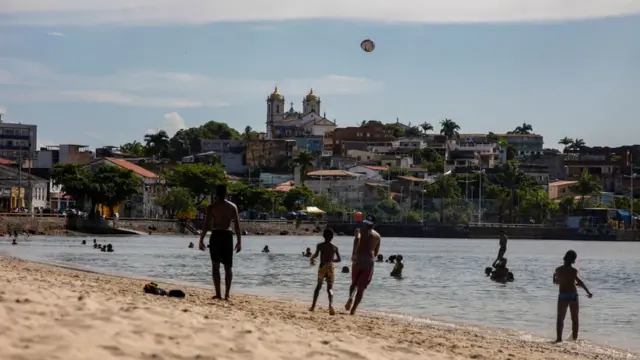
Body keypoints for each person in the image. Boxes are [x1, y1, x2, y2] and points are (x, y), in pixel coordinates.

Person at [198, 184, 242, 301]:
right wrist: (239, 241)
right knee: (228, 266)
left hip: (216, 235)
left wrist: (201, 240)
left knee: (215, 265)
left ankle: (218, 294)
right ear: (226, 193)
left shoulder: (212, 207)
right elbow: (237, 226)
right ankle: (227, 295)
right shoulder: (232, 206)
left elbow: (206, 225)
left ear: (216, 194)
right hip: (227, 235)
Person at [553, 250, 593, 343]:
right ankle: (574, 339)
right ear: (573, 260)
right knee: (575, 318)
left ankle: (559, 338)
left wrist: (554, 277)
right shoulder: (574, 271)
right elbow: (580, 282)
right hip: (572, 295)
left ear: (564, 258)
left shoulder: (558, 270)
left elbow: (557, 282)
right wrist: (588, 292)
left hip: (562, 295)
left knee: (560, 318)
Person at [345, 215, 381, 315]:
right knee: (361, 288)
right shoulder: (377, 236)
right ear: (374, 225)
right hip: (369, 262)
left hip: (358, 261)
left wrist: (354, 254)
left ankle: (350, 297)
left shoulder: (359, 230)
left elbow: (357, 240)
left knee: (354, 283)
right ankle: (353, 309)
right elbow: (376, 252)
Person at [309, 228, 342, 315]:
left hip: (322, 266)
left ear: (323, 236)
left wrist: (311, 258)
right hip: (330, 267)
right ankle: (330, 305)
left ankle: (313, 306)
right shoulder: (335, 247)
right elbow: (339, 259)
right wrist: (331, 260)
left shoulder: (319, 245)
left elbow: (316, 255)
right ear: (332, 237)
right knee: (330, 289)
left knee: (318, 287)